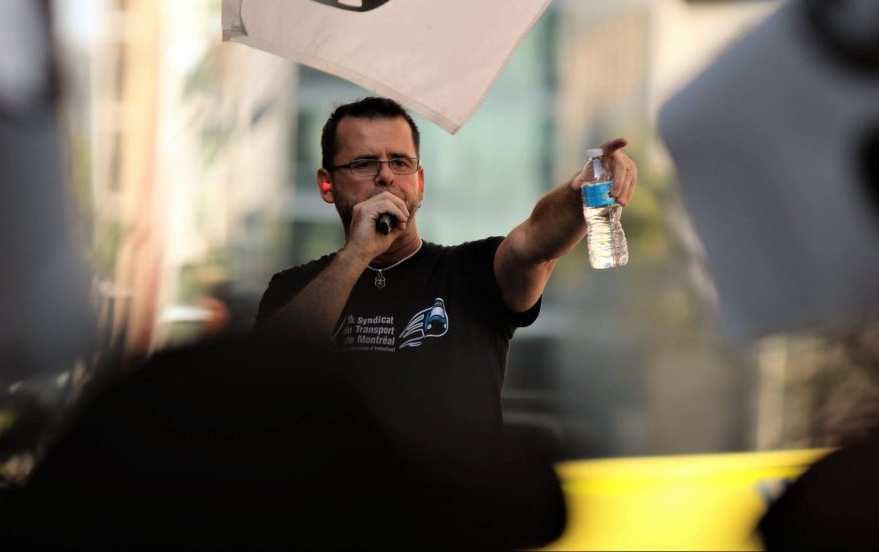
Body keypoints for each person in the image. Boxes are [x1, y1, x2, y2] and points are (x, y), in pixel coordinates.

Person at [255, 96, 637, 449]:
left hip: (454, 519)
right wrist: (358, 253)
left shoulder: (470, 272)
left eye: (400, 163)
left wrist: (581, 189)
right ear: (327, 184)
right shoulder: (296, 287)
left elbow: (534, 243)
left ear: (419, 184)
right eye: (364, 163)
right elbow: (269, 371)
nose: (386, 176)